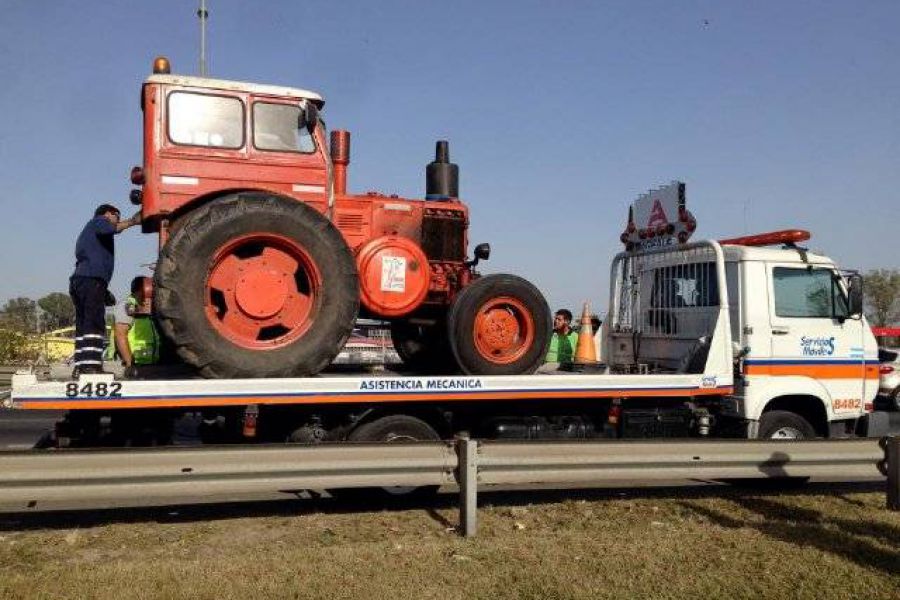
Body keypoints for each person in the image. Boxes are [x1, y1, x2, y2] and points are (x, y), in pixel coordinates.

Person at [69, 204, 141, 377]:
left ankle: (80, 365)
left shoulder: (89, 231)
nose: (118, 220)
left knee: (83, 324)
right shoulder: (98, 222)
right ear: (108, 213)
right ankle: (92, 367)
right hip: (92, 280)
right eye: (117, 216)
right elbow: (110, 229)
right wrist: (133, 221)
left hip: (81, 280)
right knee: (94, 322)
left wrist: (104, 290)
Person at [110, 277, 160, 375]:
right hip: (134, 365)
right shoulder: (127, 305)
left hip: (150, 364)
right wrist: (130, 364)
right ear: (145, 289)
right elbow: (120, 335)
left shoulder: (147, 307)